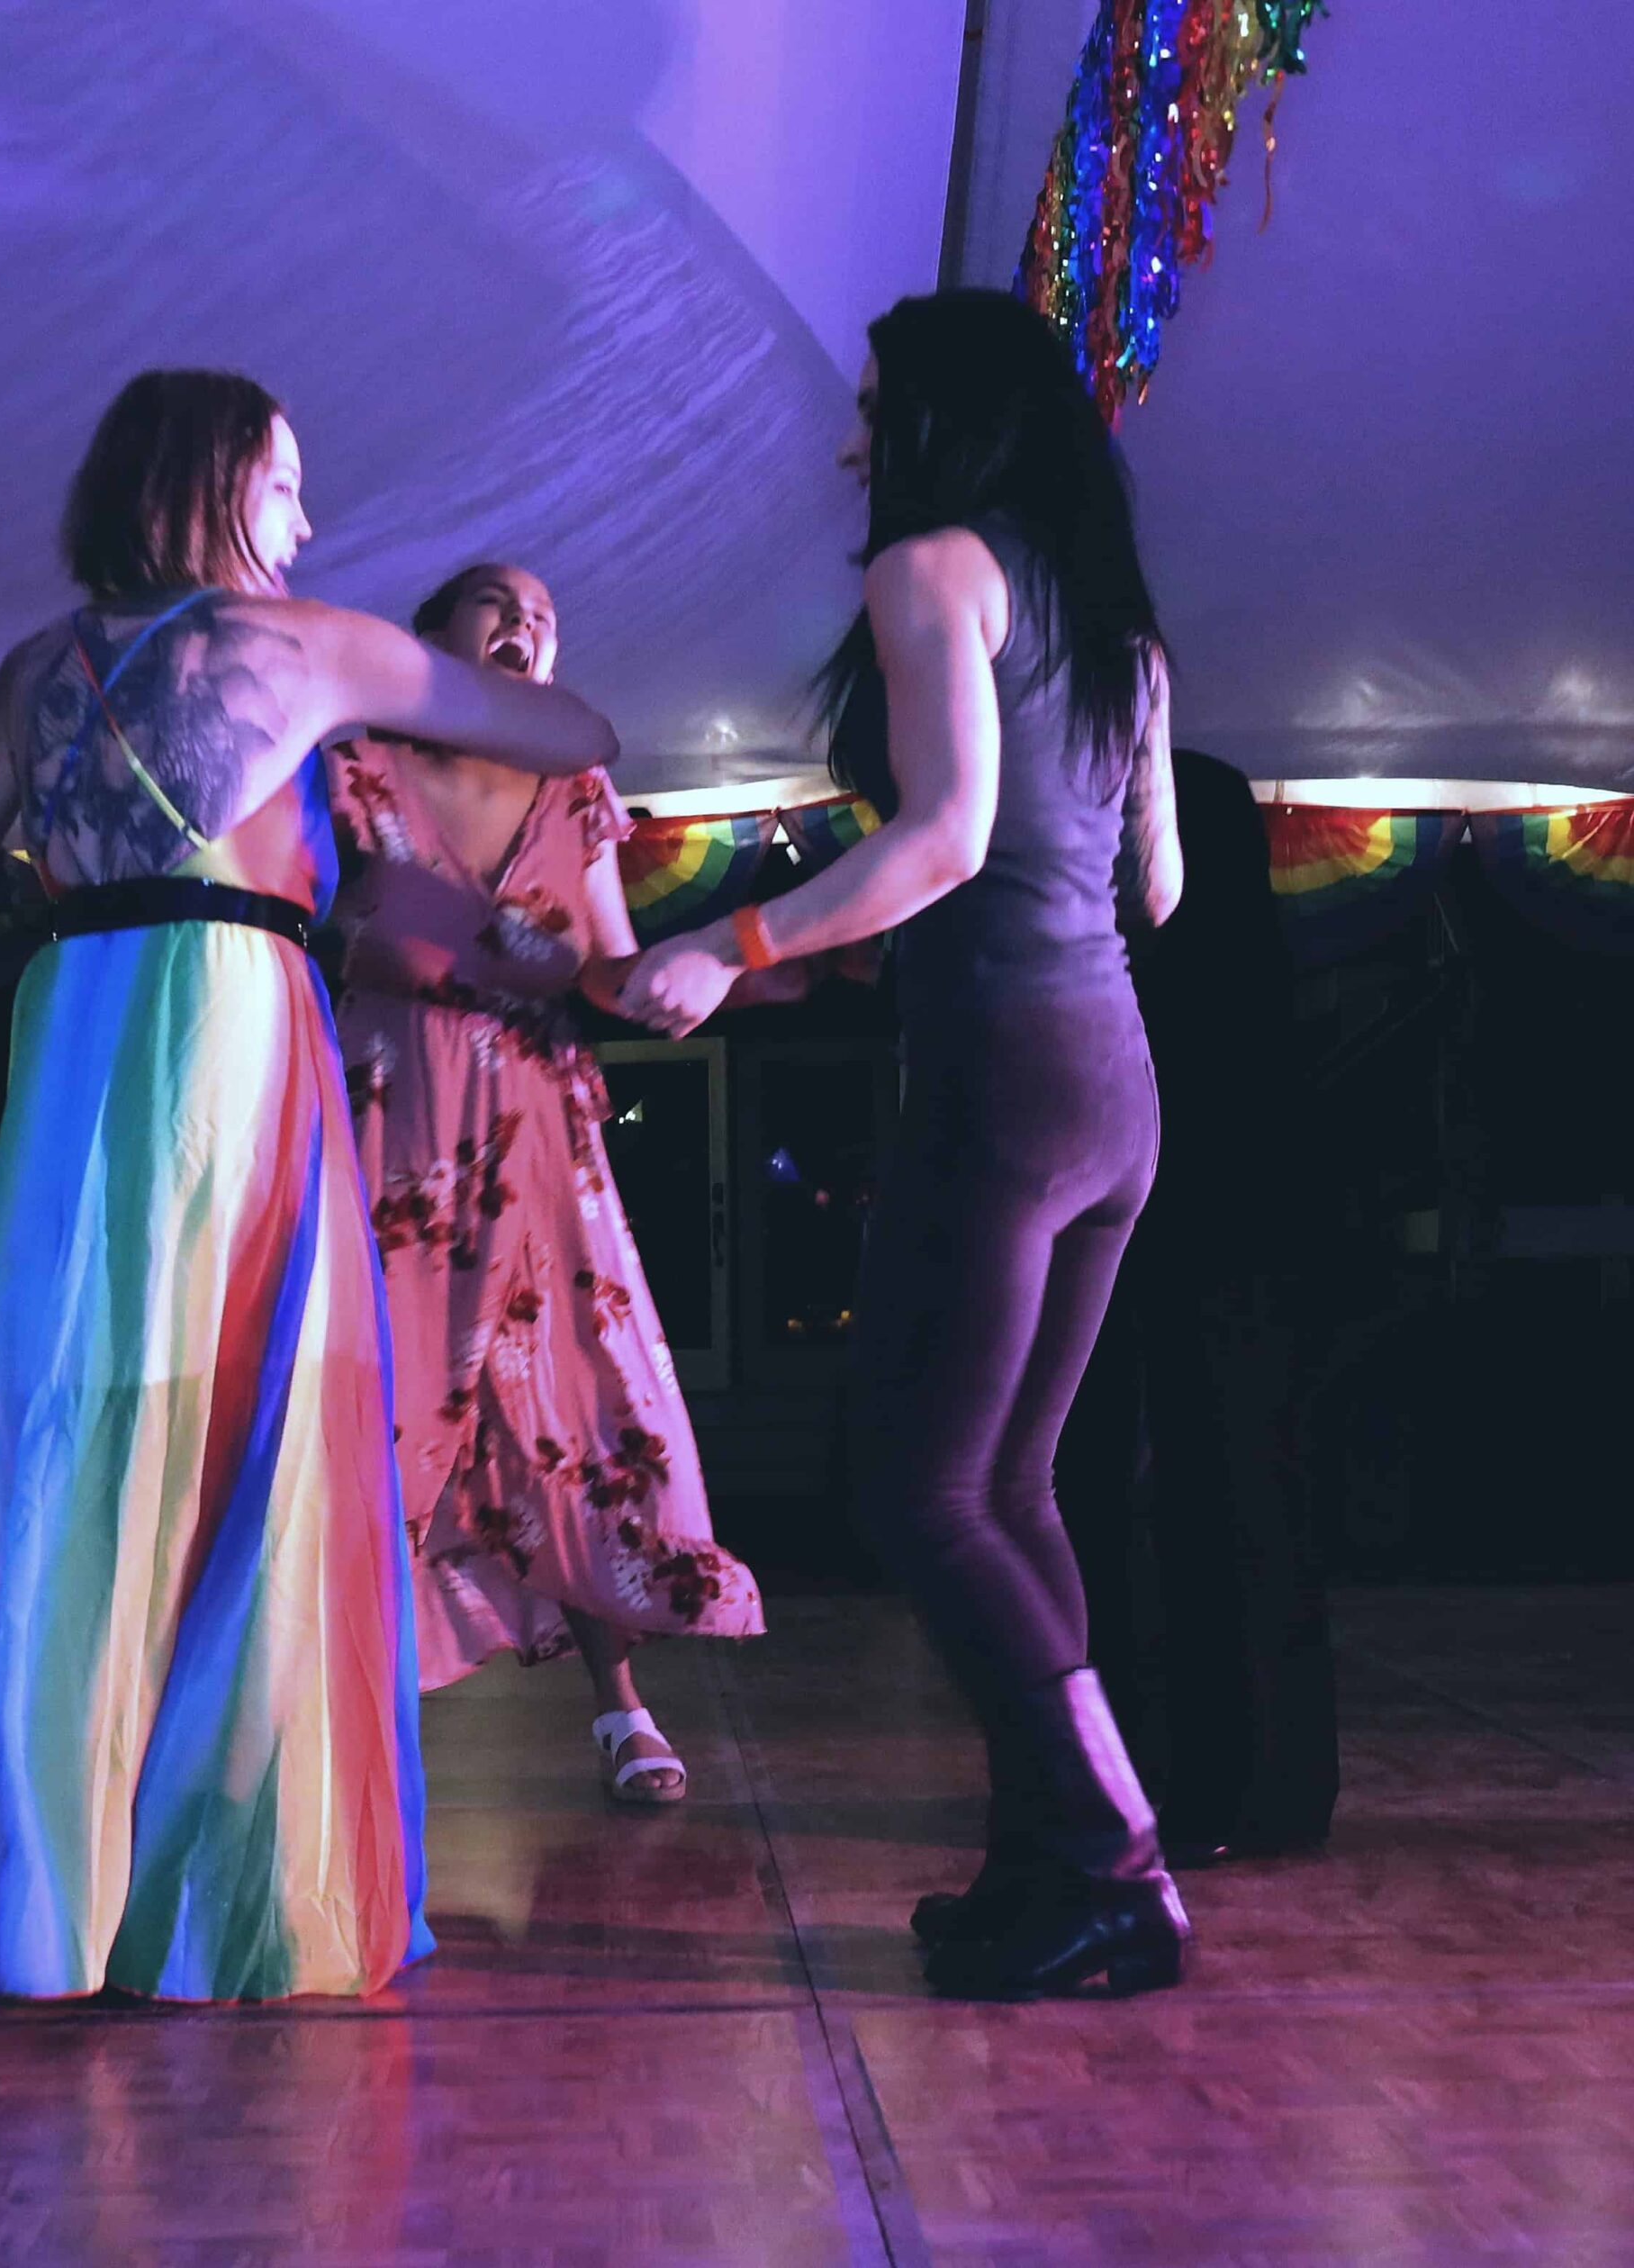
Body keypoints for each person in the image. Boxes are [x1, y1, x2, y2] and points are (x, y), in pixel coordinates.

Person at [0, 370, 618, 2001]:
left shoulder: (33, 669)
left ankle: (53, 1908)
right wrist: (423, 739)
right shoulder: (308, 647)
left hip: (79, 1033)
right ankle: (237, 1891)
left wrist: (95, 864)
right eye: (288, 482)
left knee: (82, 1440)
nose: (307, 516)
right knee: (262, 1432)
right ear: (222, 483)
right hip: (230, 1024)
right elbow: (573, 732)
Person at [623, 289, 1189, 2000]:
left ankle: (1114, 1853)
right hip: (1112, 1079)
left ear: (949, 416)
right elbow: (1156, 885)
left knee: (917, 1486)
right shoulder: (1117, 617)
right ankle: (1048, 1864)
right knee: (1009, 1485)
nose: (855, 442)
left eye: (876, 406)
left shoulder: (932, 567)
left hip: (1005, 1077)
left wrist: (731, 943)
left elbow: (947, 836)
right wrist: (884, 943)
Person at [328, 563, 766, 1805]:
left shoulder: (577, 787)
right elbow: (307, 919)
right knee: (382, 1408)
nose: (527, 621)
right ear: (433, 634)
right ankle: (343, 1714)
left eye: (547, 615)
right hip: (396, 1122)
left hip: (535, 1130)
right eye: (497, 602)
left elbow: (609, 964)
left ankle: (621, 1707)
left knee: (569, 1403)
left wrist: (719, 970)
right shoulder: (353, 764)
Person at [1055, 747, 1338, 1863]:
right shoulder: (1199, 795)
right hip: (1223, 1181)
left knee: (1126, 1484)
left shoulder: (1107, 795)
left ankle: (1145, 1777)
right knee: (1232, 1483)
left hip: (1165, 1172)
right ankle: (1253, 1780)